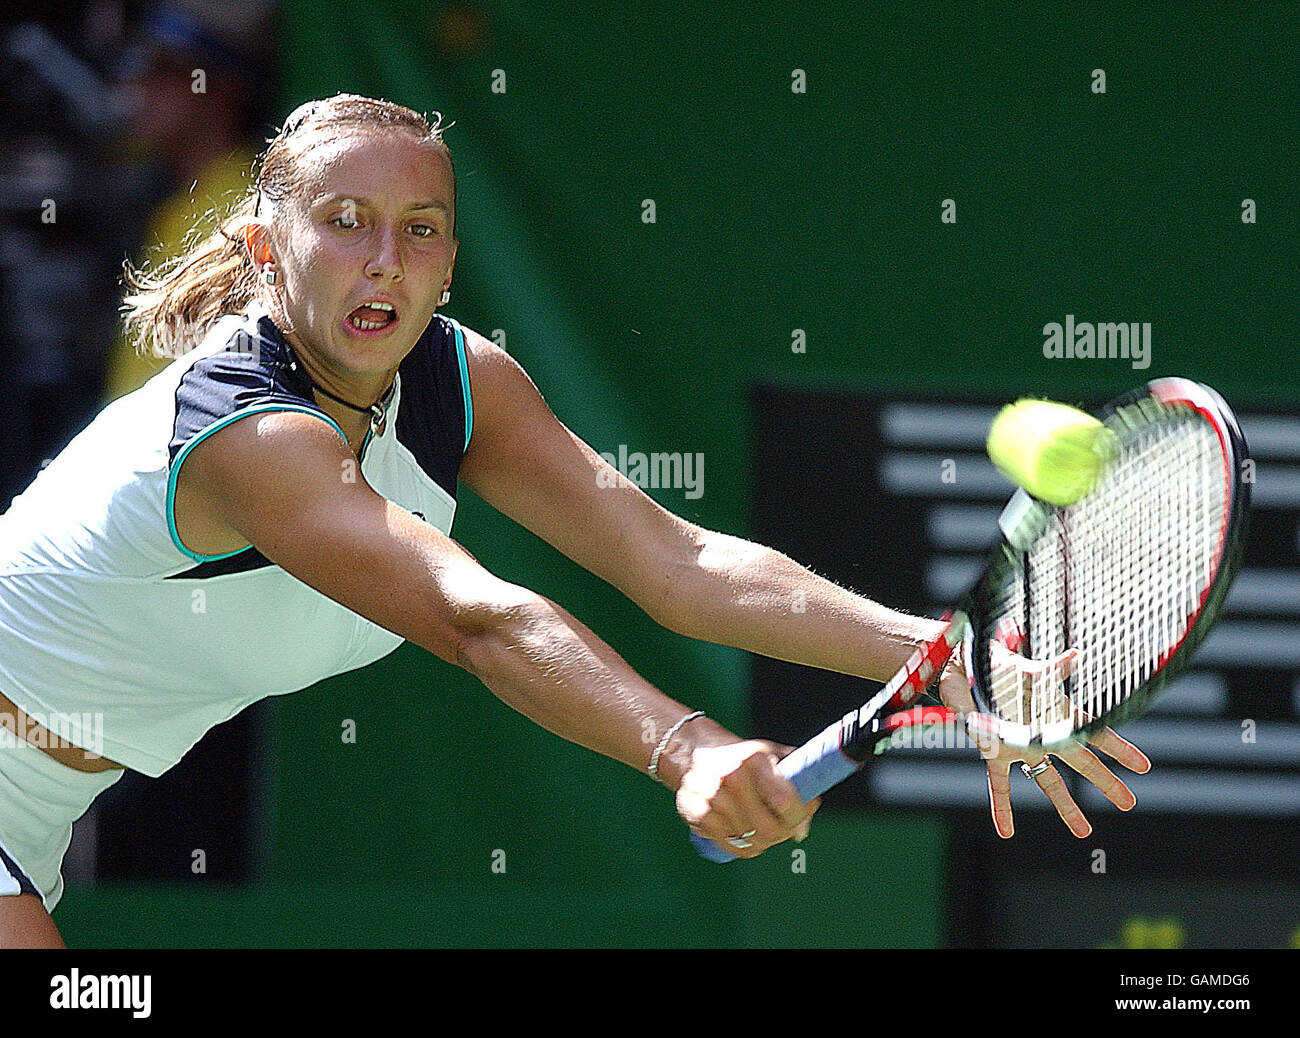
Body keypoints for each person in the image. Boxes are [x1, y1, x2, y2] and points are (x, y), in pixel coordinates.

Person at [0, 94, 1150, 948]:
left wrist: (945, 663)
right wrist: (683, 746)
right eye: (343, 221)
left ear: (451, 259)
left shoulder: (461, 386)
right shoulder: (253, 434)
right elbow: (479, 618)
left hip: (38, 819)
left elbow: (681, 562)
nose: (383, 259)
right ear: (266, 249)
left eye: (419, 228)